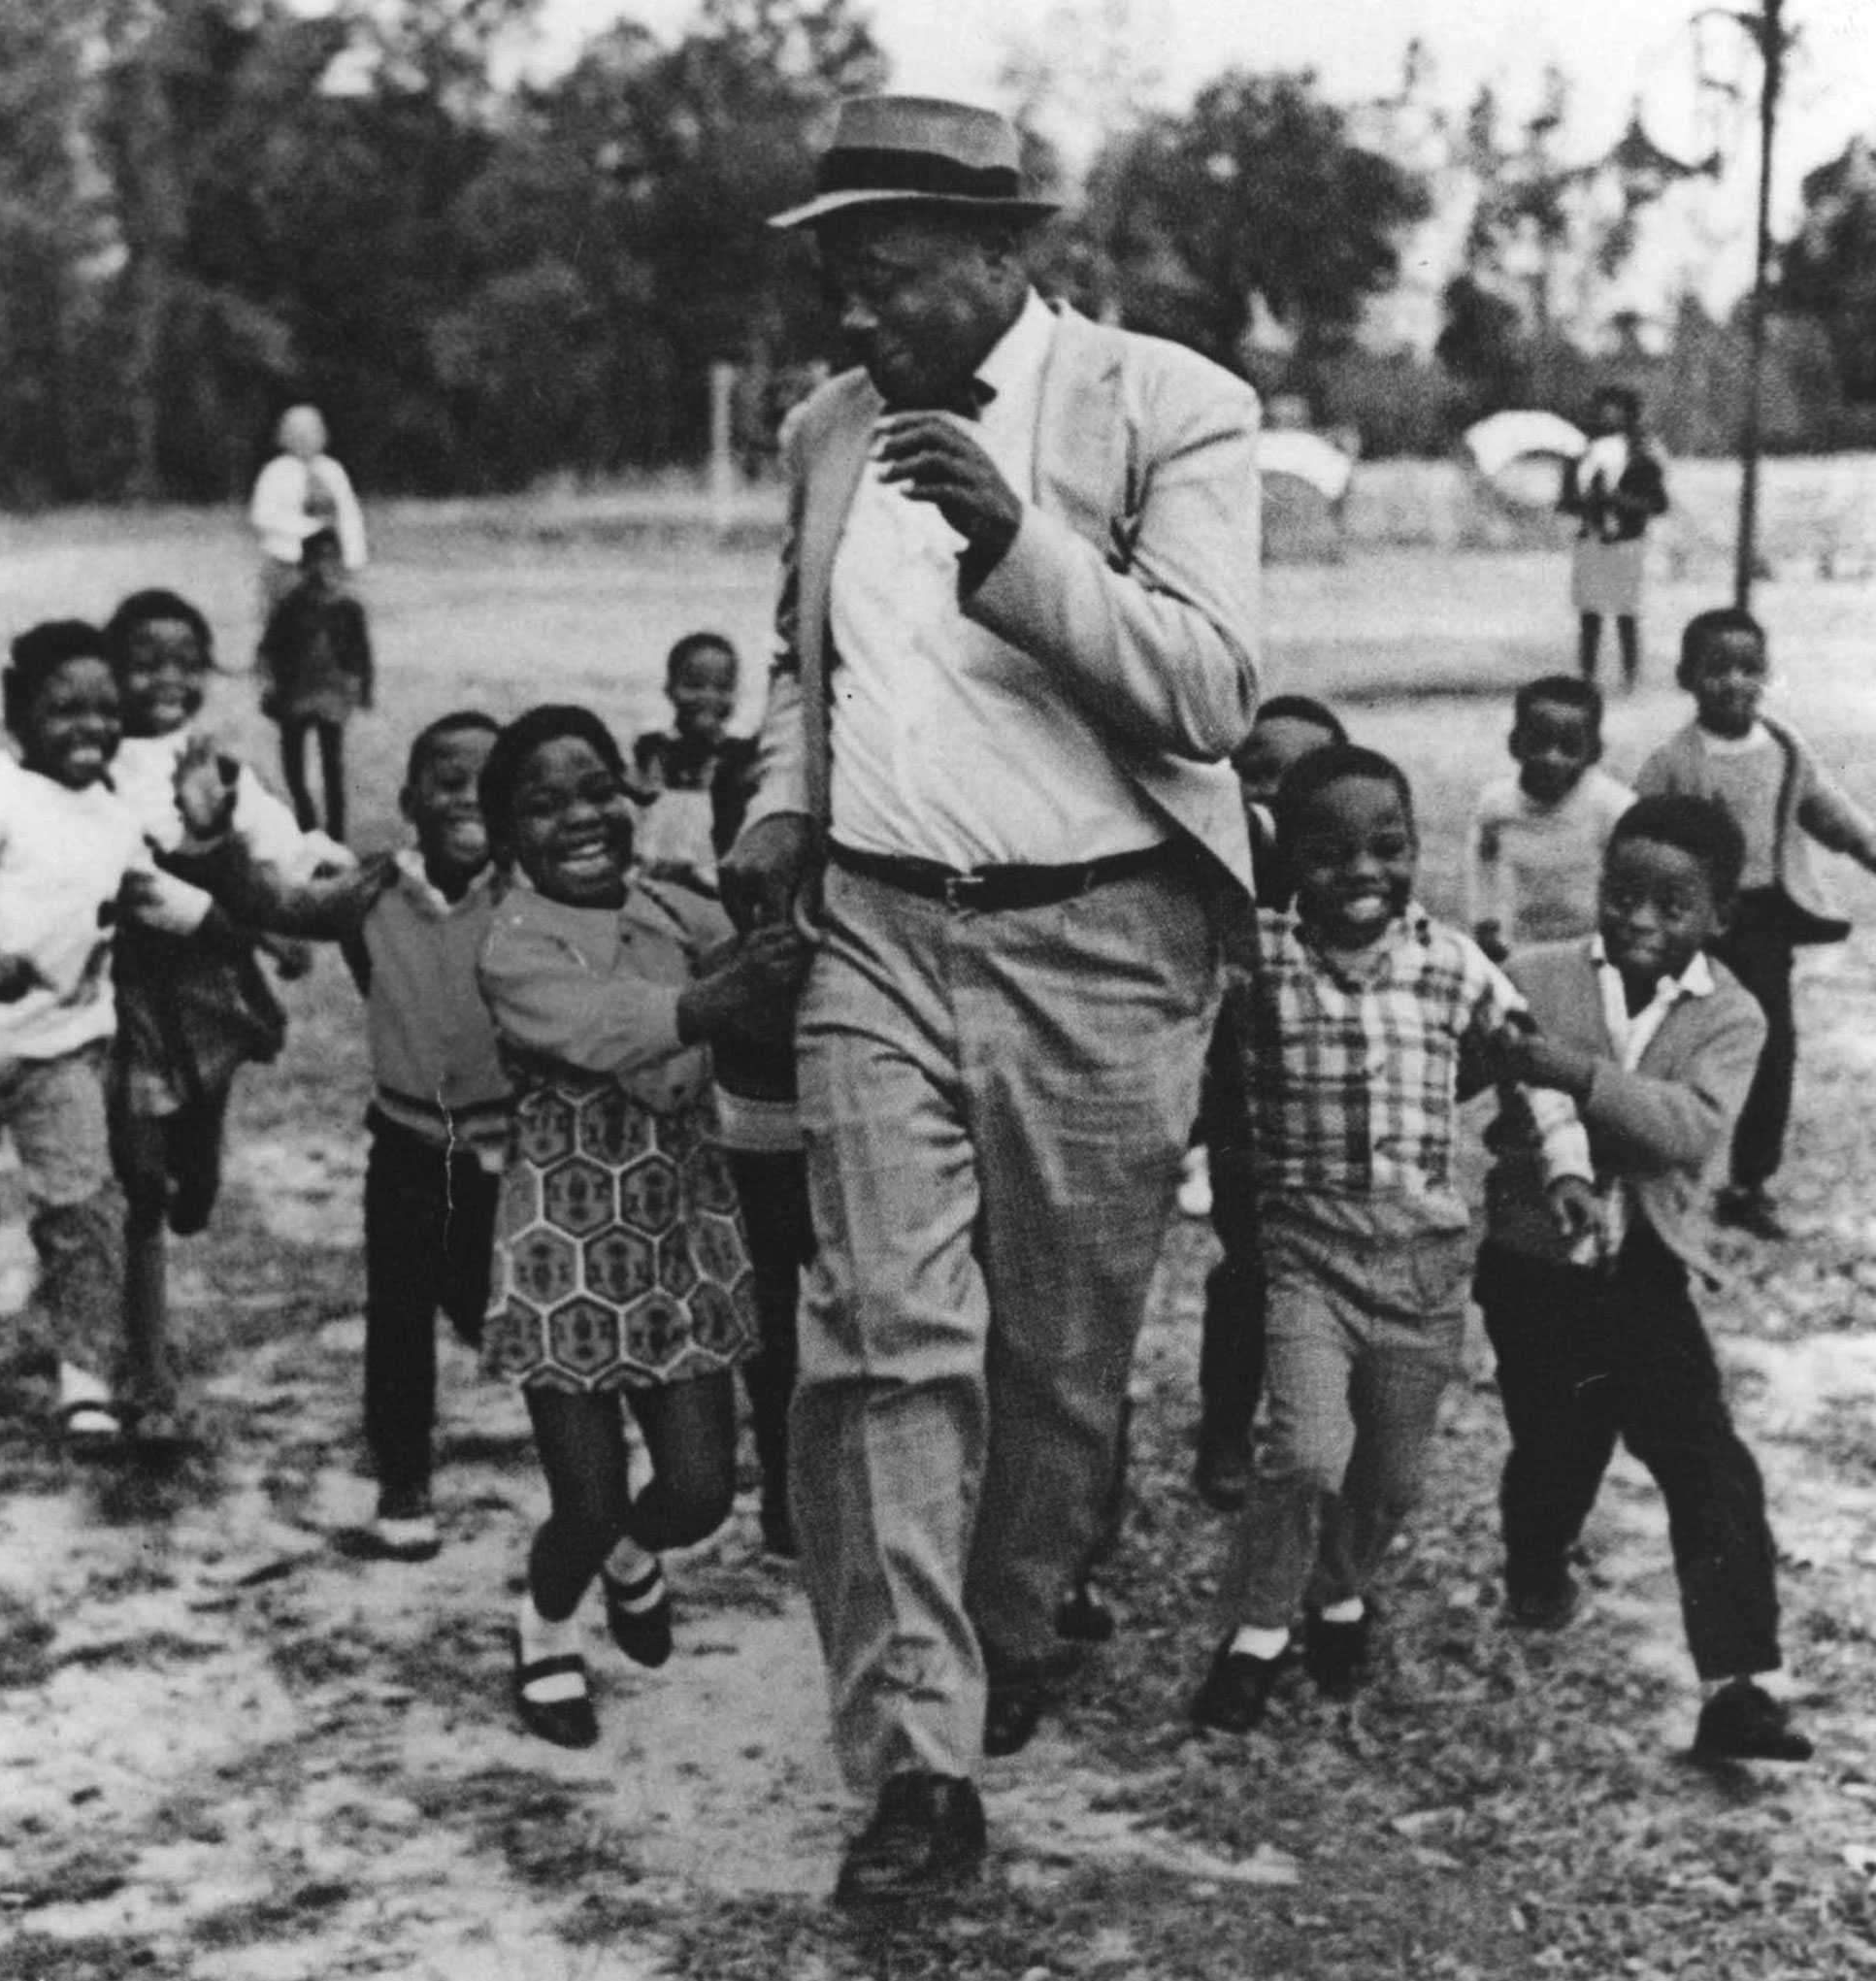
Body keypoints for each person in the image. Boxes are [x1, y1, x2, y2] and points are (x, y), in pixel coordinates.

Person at [722, 95, 1262, 1903]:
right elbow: (809, 658)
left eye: (883, 283)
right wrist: (783, 806)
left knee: (1055, 1354)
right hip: (874, 933)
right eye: (838, 288)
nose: (854, 324)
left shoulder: (1170, 406)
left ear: (1001, 256)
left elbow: (1207, 692)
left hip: (1102, 947)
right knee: (879, 1343)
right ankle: (917, 1768)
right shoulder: (823, 430)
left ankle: (1026, 1602)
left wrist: (1016, 542)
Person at [1190, 746, 1596, 1735]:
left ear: (1415, 847)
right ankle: (1254, 1632)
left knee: (1390, 1477)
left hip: (1420, 1259)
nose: (1362, 871)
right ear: (1286, 858)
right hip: (1306, 1252)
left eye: (1387, 846)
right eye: (1329, 853)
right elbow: (1176, 1018)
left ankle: (1335, 1594)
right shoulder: (1256, 955)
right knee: (1305, 1453)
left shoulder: (1451, 960)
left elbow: (1528, 1063)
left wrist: (1566, 1164)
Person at [477, 705, 809, 1748]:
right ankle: (544, 1630)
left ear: (630, 795)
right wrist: (724, 997)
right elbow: (609, 1024)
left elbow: (768, 959)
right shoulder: (512, 945)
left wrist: (775, 927)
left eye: (596, 790)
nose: (580, 817)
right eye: (543, 805)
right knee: (584, 1498)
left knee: (702, 1492)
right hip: (562, 1251)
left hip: (681, 1236)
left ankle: (630, 1553)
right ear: (505, 835)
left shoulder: (674, 908)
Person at [1479, 796, 1812, 1764]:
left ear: (1714, 918)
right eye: (1622, 893)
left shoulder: (1731, 1015)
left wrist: (1571, 1073)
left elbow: (1686, 1129)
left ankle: (1737, 1684)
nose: (1636, 919)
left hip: (1647, 1280)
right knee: (1555, 1445)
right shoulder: (1533, 976)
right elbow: (1467, 1064)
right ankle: (1536, 1548)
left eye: (1670, 906)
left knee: (1706, 1464)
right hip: (1532, 1272)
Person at [180, 711, 510, 1562]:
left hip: (509, 1154)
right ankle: (404, 1481)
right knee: (399, 1311)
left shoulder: (535, 895)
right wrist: (216, 834)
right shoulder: (372, 891)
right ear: (407, 801)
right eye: (447, 779)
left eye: (489, 780)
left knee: (488, 1303)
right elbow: (274, 901)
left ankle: (575, 1434)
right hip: (403, 1145)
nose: (468, 796)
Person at [0, 623, 189, 1451]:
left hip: (64, 1049)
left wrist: (254, 927)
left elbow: (152, 890)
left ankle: (85, 1382)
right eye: (64, 709)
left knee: (85, 1206)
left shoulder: (112, 815)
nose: (90, 727)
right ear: (19, 713)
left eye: (106, 711)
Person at [104, 588, 339, 1447]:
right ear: (111, 669)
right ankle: (147, 1369)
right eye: (144, 661)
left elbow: (278, 838)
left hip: (207, 986)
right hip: (125, 989)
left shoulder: (213, 762)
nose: (164, 678)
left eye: (184, 661)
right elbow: (129, 879)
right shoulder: (89, 761)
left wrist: (324, 881)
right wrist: (256, 930)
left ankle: (199, 1162)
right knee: (141, 1183)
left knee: (192, 1154)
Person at [1634, 608, 1876, 1239]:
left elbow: (1829, 813)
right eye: (1717, 669)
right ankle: (1657, 1171)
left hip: (1763, 919)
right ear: (1688, 677)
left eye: (1749, 668)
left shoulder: (1784, 750)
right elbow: (1640, 839)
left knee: (1770, 1046)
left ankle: (1749, 1182)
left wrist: (1869, 850)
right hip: (1693, 927)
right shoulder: (1673, 762)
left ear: (1766, 674)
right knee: (1678, 1042)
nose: (1735, 682)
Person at [1191, 693, 1349, 1509]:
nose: (1273, 794)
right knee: (1251, 1269)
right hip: (1242, 1110)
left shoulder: (1354, 884)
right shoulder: (1218, 870)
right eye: (1256, 772)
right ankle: (1224, 1427)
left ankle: (1320, 1428)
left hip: (1330, 1116)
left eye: (1299, 778)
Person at [710, 738, 808, 1561]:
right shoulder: (711, 954)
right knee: (772, 1346)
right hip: (750, 1179)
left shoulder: (845, 946)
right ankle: (782, 1487)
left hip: (836, 1165)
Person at [1466, 676, 1634, 965]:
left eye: (1569, 747)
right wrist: (1485, 920)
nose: (1552, 758)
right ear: (1515, 744)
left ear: (1593, 751)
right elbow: (1482, 864)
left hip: (1593, 945)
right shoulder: (1496, 804)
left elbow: (1632, 875)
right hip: (1520, 942)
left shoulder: (1613, 807)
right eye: (1538, 743)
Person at [257, 527, 374, 842]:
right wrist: (269, 684)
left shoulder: (349, 607)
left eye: (331, 559)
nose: (323, 567)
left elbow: (362, 650)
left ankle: (336, 835)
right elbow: (268, 646)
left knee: (332, 768)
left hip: (332, 694)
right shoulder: (290, 605)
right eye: (316, 559)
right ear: (304, 564)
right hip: (294, 693)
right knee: (293, 767)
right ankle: (307, 823)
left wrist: (365, 689)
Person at [1558, 386, 1668, 690]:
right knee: (1590, 614)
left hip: (1626, 540)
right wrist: (1583, 499)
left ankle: (1630, 676)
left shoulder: (1641, 455)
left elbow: (1657, 504)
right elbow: (1566, 501)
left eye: (1615, 409)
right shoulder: (1582, 452)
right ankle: (1587, 675)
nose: (1608, 415)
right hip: (1592, 539)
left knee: (1626, 613)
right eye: (1603, 408)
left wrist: (1616, 499)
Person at [631, 632, 755, 895]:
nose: (708, 697)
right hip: (653, 884)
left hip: (714, 890)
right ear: (669, 688)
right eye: (694, 685)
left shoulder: (741, 759)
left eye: (723, 688)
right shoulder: (651, 751)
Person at [248, 403, 367, 620]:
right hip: (288, 563)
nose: (306, 439)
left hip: (329, 565)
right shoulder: (276, 472)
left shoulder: (332, 470)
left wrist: (354, 557)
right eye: (298, 433)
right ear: (284, 437)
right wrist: (309, 528)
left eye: (312, 432)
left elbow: (349, 515)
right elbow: (261, 516)